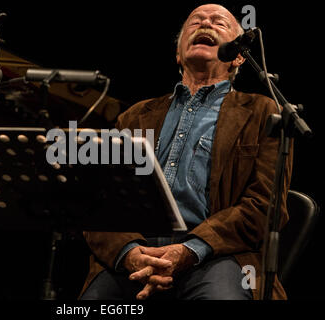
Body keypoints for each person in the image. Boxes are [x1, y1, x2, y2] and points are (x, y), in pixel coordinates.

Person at [79, 3, 293, 300]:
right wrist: (130, 253)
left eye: (218, 22)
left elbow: (265, 206)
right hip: (137, 253)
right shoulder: (134, 116)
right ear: (178, 54)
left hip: (218, 253)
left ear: (239, 56)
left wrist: (191, 249)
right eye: (195, 21)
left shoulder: (263, 111)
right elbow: (99, 203)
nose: (205, 24)